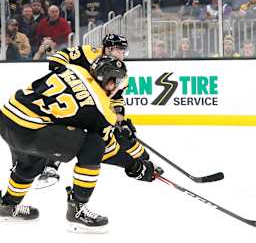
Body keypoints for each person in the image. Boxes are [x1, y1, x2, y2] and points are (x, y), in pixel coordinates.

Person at [0, 56, 126, 232]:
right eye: (118, 80)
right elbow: (107, 151)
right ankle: (78, 210)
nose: (119, 85)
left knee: (34, 159)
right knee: (94, 144)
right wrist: (136, 164)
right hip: (30, 131)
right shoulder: (102, 108)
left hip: (8, 117)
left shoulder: (75, 69)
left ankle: (7, 205)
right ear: (108, 81)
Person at [35, 34, 162, 189]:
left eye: (124, 51)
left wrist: (120, 118)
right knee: (69, 132)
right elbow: (61, 56)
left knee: (123, 133)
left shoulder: (121, 72)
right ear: (109, 49)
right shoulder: (88, 52)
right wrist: (63, 72)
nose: (123, 54)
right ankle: (50, 168)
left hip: (94, 107)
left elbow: (116, 98)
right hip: (72, 100)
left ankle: (144, 161)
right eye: (120, 50)